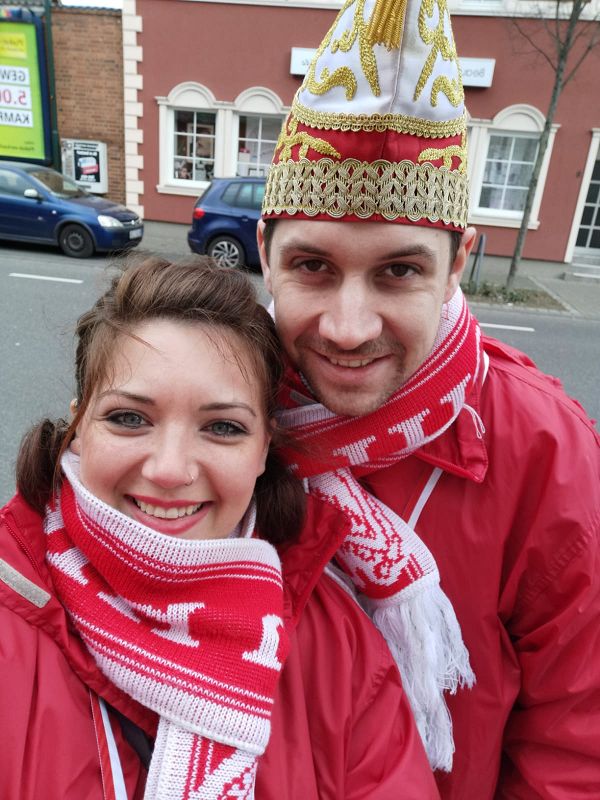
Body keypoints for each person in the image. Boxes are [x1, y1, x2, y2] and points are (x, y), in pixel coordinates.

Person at [257, 0, 600, 797]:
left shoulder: (545, 451)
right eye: (312, 266)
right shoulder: (210, 408)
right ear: (264, 251)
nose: (347, 328)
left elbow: (576, 744)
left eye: (399, 271)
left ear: (457, 265)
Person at [0, 255, 439, 799]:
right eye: (129, 418)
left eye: (223, 428)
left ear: (264, 449)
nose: (170, 470)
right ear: (79, 424)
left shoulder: (338, 645)